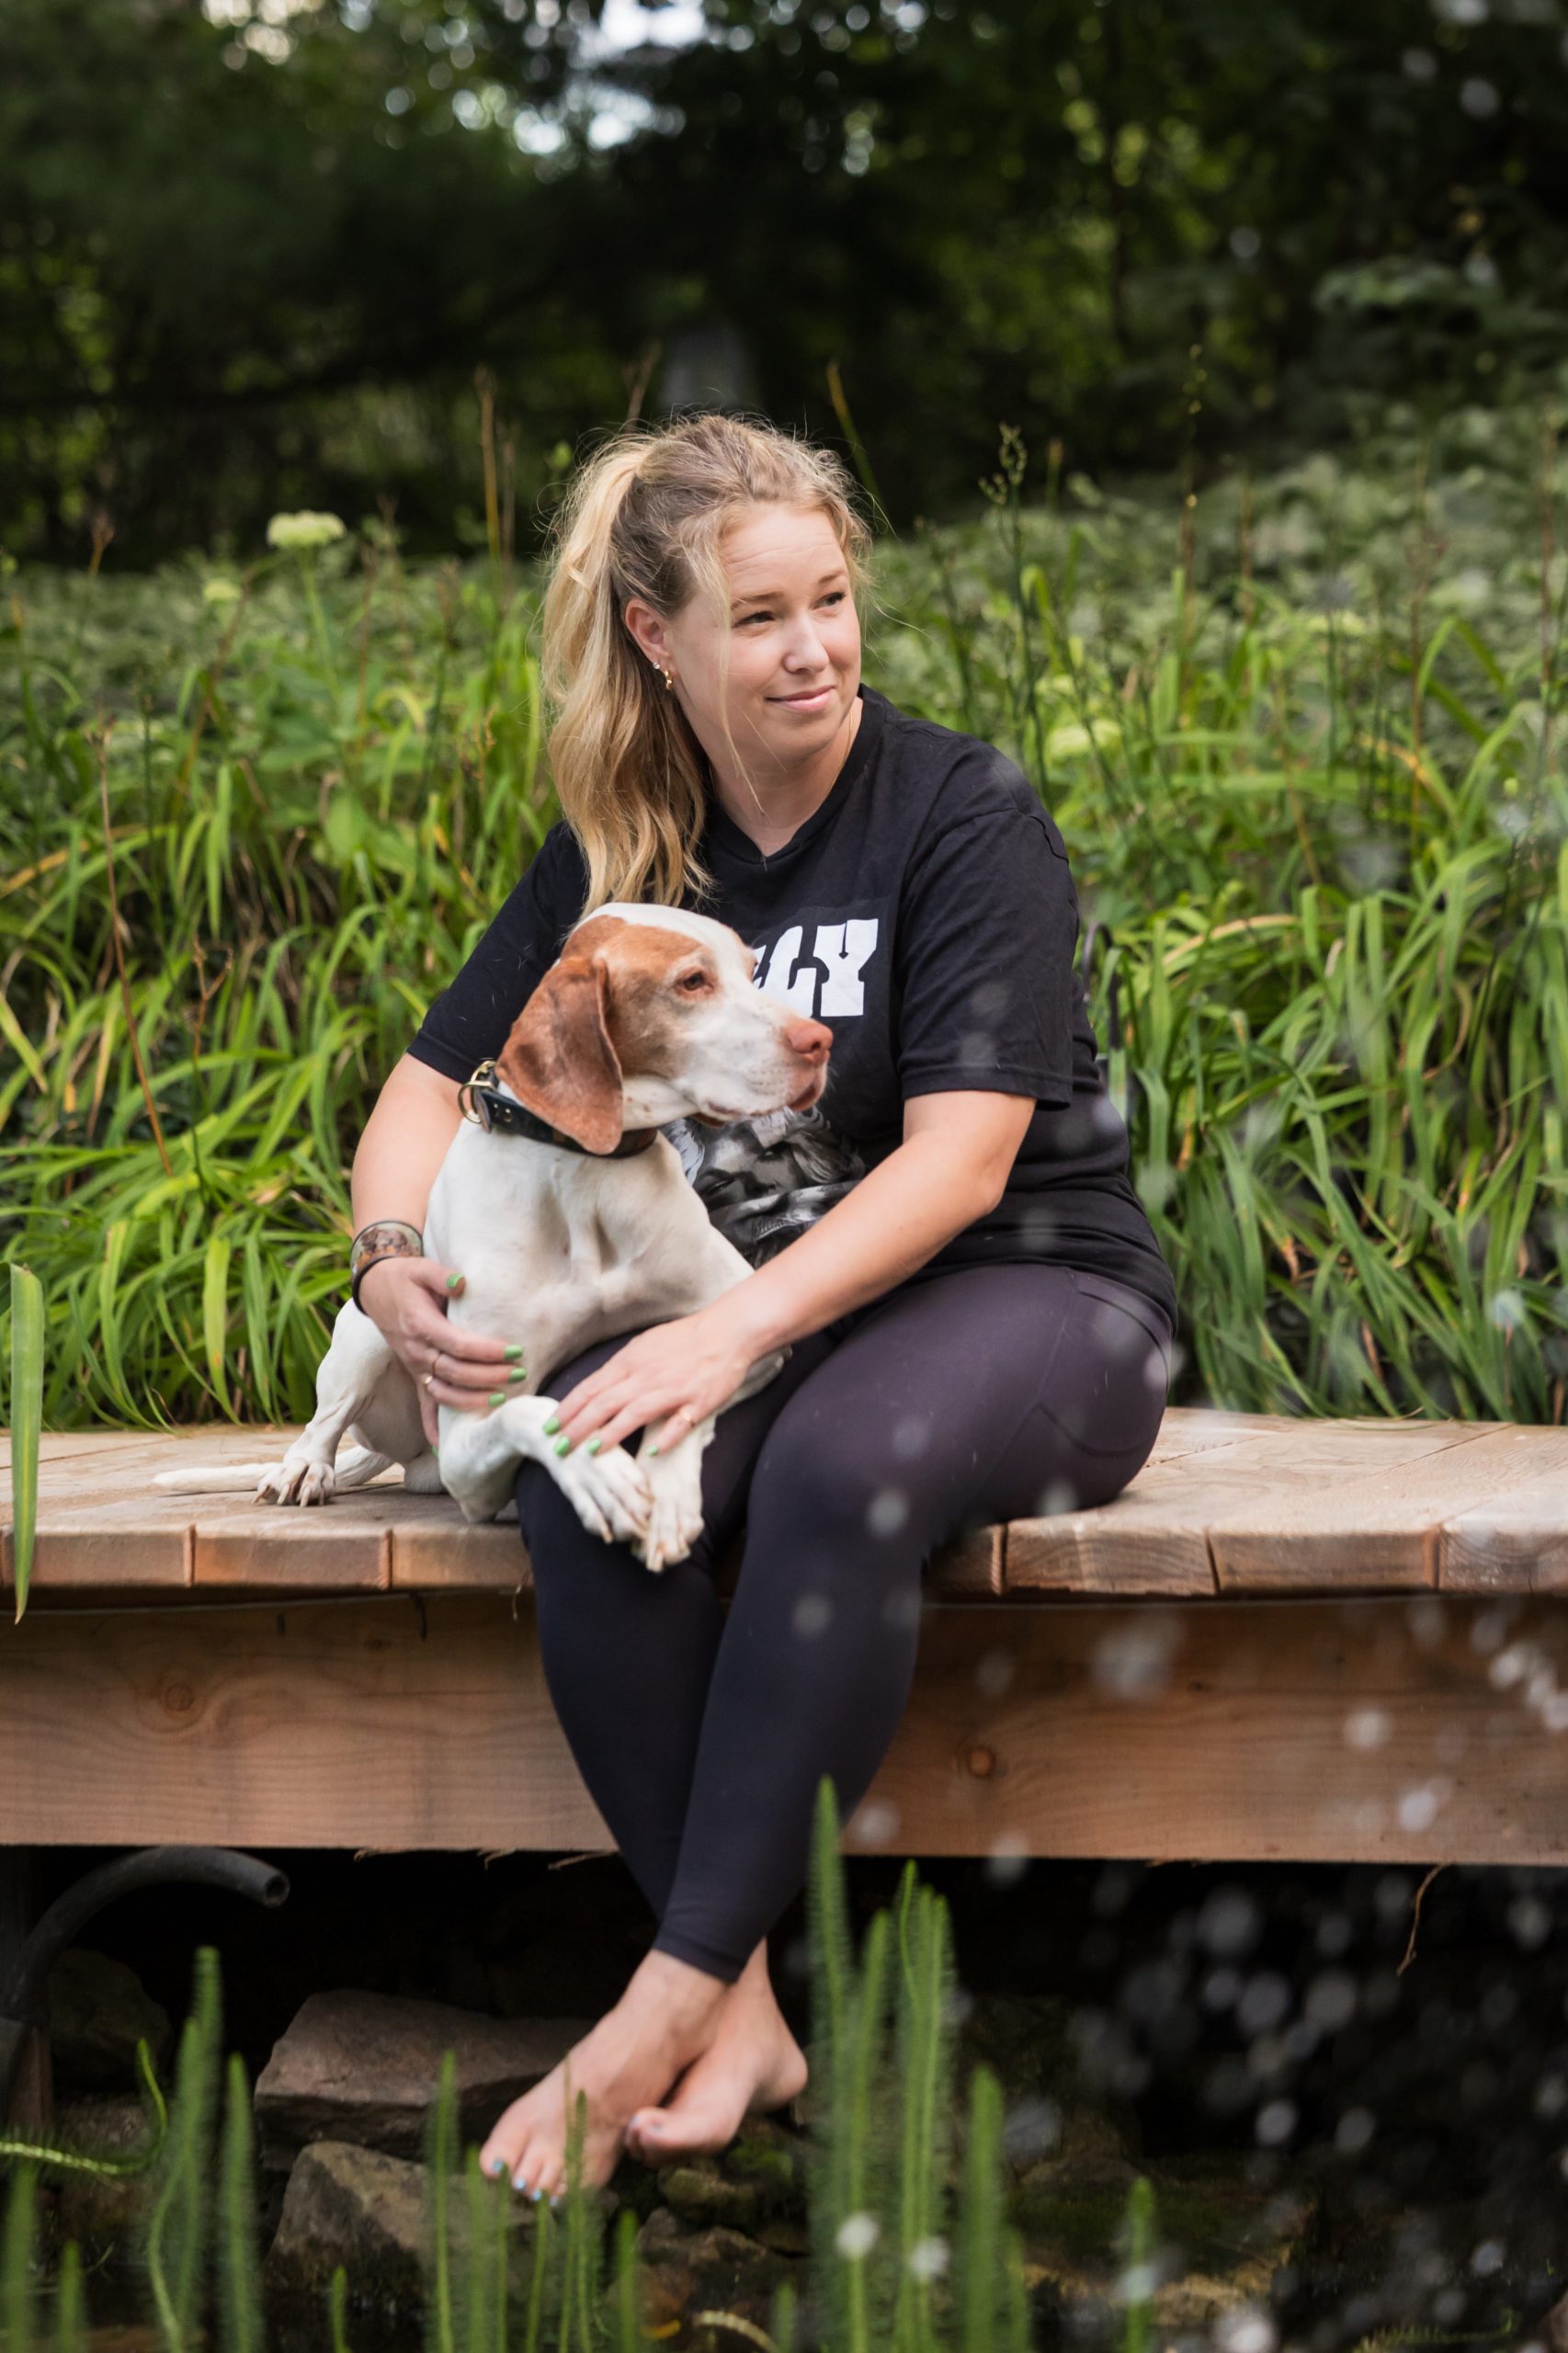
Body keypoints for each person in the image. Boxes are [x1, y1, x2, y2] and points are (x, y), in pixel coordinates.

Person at [347, 411, 1178, 2210]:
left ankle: (656, 2005)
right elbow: (429, 1084)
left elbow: (962, 1165)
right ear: (661, 637)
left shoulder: (960, 814)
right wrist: (390, 1259)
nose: (815, 648)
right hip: (792, 1318)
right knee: (587, 1472)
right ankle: (755, 2012)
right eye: (761, 615)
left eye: (834, 600)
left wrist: (727, 1335)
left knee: (835, 1462)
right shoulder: (627, 851)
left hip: (1034, 1304)